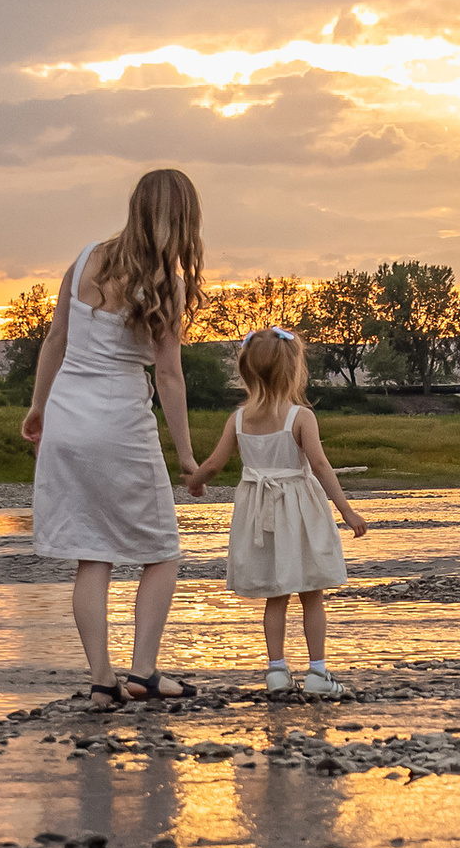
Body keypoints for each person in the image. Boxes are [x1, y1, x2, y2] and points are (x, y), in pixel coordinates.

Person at [22, 167, 205, 704]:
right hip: (119, 424)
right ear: (183, 220)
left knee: (91, 554)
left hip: (66, 420)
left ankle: (102, 680)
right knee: (162, 551)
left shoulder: (84, 260)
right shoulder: (165, 284)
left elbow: (56, 338)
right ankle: (144, 672)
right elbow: (169, 376)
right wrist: (188, 456)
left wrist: (38, 407)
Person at [187, 324, 368, 697]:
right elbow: (319, 465)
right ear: (293, 369)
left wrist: (195, 480)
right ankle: (317, 671)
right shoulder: (300, 416)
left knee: (276, 592)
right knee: (312, 591)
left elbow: (216, 463)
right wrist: (346, 511)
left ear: (247, 370)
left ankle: (276, 671)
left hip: (259, 511)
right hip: (299, 509)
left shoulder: (238, 419)